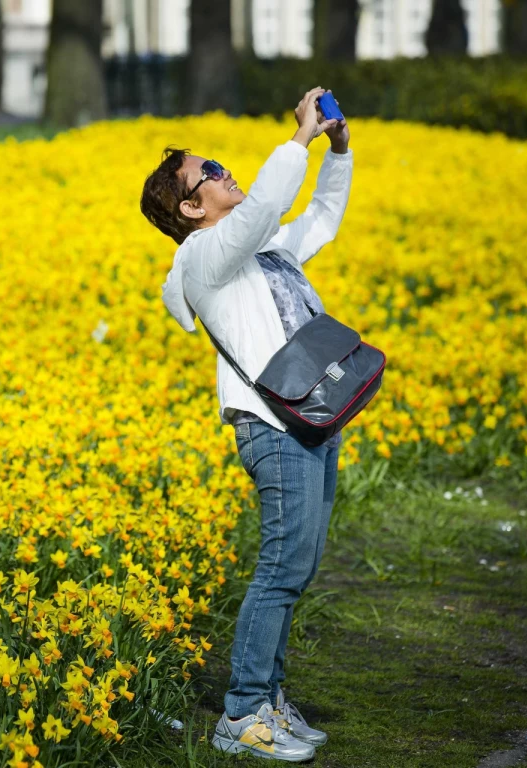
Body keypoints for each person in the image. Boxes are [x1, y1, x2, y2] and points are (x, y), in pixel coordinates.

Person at [139, 87, 352, 762]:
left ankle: (270, 699)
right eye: (212, 172)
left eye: (222, 163)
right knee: (281, 568)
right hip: (272, 423)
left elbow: (317, 217)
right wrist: (298, 140)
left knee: (301, 564)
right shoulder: (203, 259)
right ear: (189, 207)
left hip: (314, 414)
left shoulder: (258, 252)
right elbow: (262, 209)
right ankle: (241, 714)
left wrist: (337, 152)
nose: (225, 172)